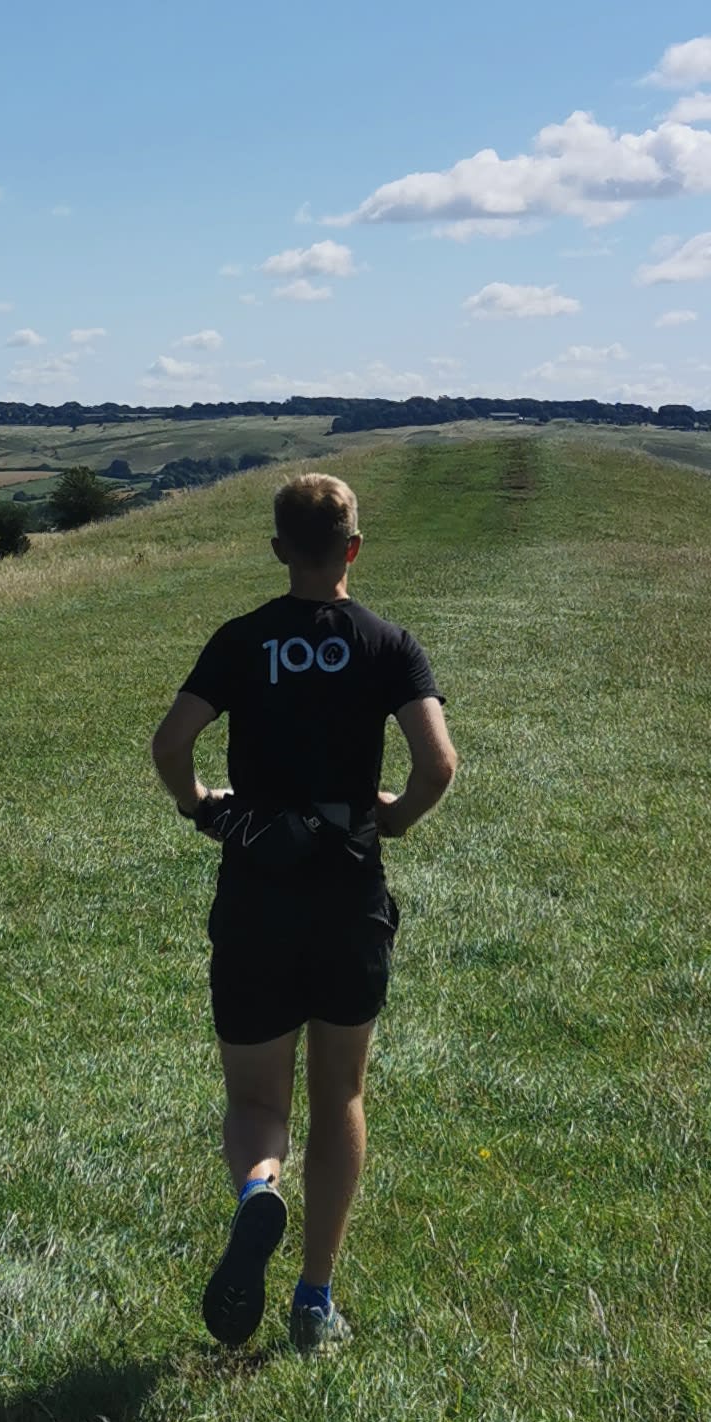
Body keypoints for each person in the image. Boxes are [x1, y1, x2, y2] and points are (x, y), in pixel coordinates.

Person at [148, 469, 457, 1352]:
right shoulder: (389, 644)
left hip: (257, 888)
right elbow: (437, 764)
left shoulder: (243, 640)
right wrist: (389, 818)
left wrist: (199, 803)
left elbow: (172, 744)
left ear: (281, 549)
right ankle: (315, 1300)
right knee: (341, 1091)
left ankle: (258, 1191)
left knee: (255, 1097)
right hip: (348, 888)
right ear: (353, 548)